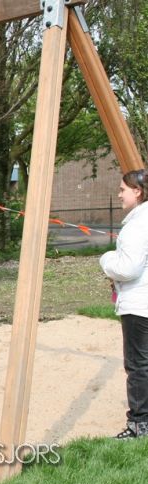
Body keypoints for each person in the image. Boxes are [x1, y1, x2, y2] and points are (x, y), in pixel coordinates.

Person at [100, 168, 148, 439]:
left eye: (122, 190)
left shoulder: (137, 226)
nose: (119, 194)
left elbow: (128, 268)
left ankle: (139, 425)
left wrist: (106, 260)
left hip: (139, 305)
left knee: (138, 364)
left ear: (137, 191)